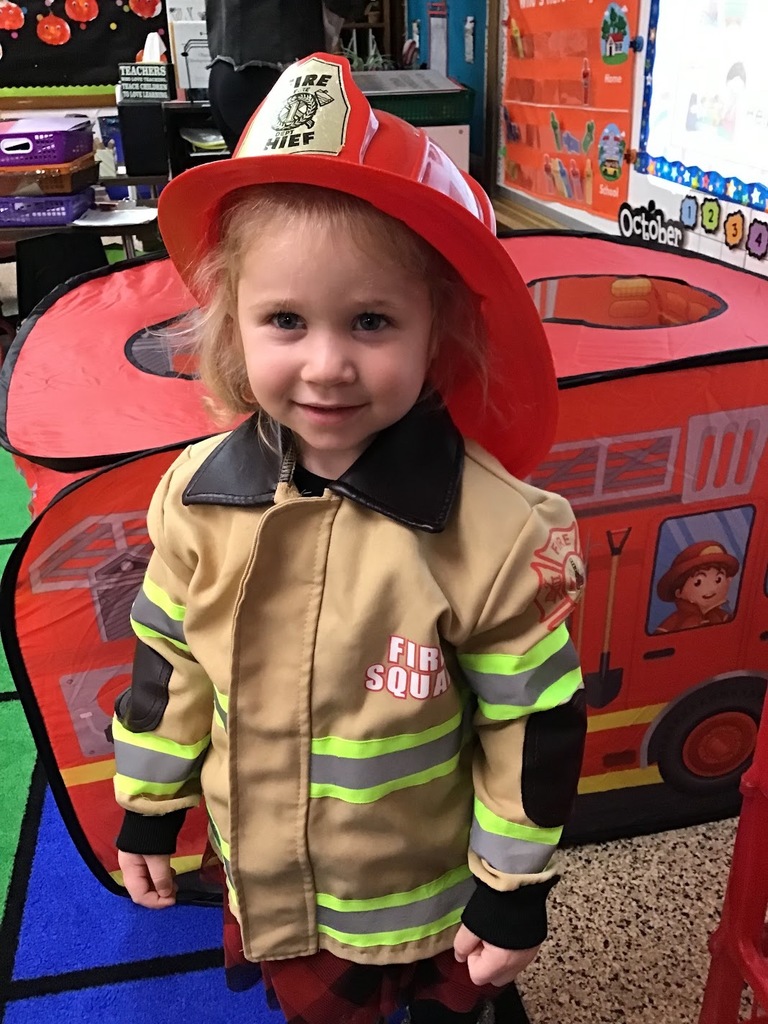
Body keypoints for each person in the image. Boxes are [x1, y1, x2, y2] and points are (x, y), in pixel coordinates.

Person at [113, 53, 587, 1024]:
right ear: (232, 331)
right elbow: (169, 660)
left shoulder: (494, 531)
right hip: (278, 883)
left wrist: (512, 887)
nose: (326, 363)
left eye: (371, 320)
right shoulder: (197, 498)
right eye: (284, 320)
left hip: (436, 895)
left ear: (435, 332)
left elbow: (531, 724)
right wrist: (150, 802)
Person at [206, 0, 355, 153]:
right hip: (278, 77)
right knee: (295, 174)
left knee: (251, 174)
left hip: (223, 71)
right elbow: (345, 6)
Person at [654, 540, 739, 633]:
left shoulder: (721, 617)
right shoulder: (677, 621)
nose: (712, 588)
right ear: (678, 592)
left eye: (718, 579)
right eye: (698, 582)